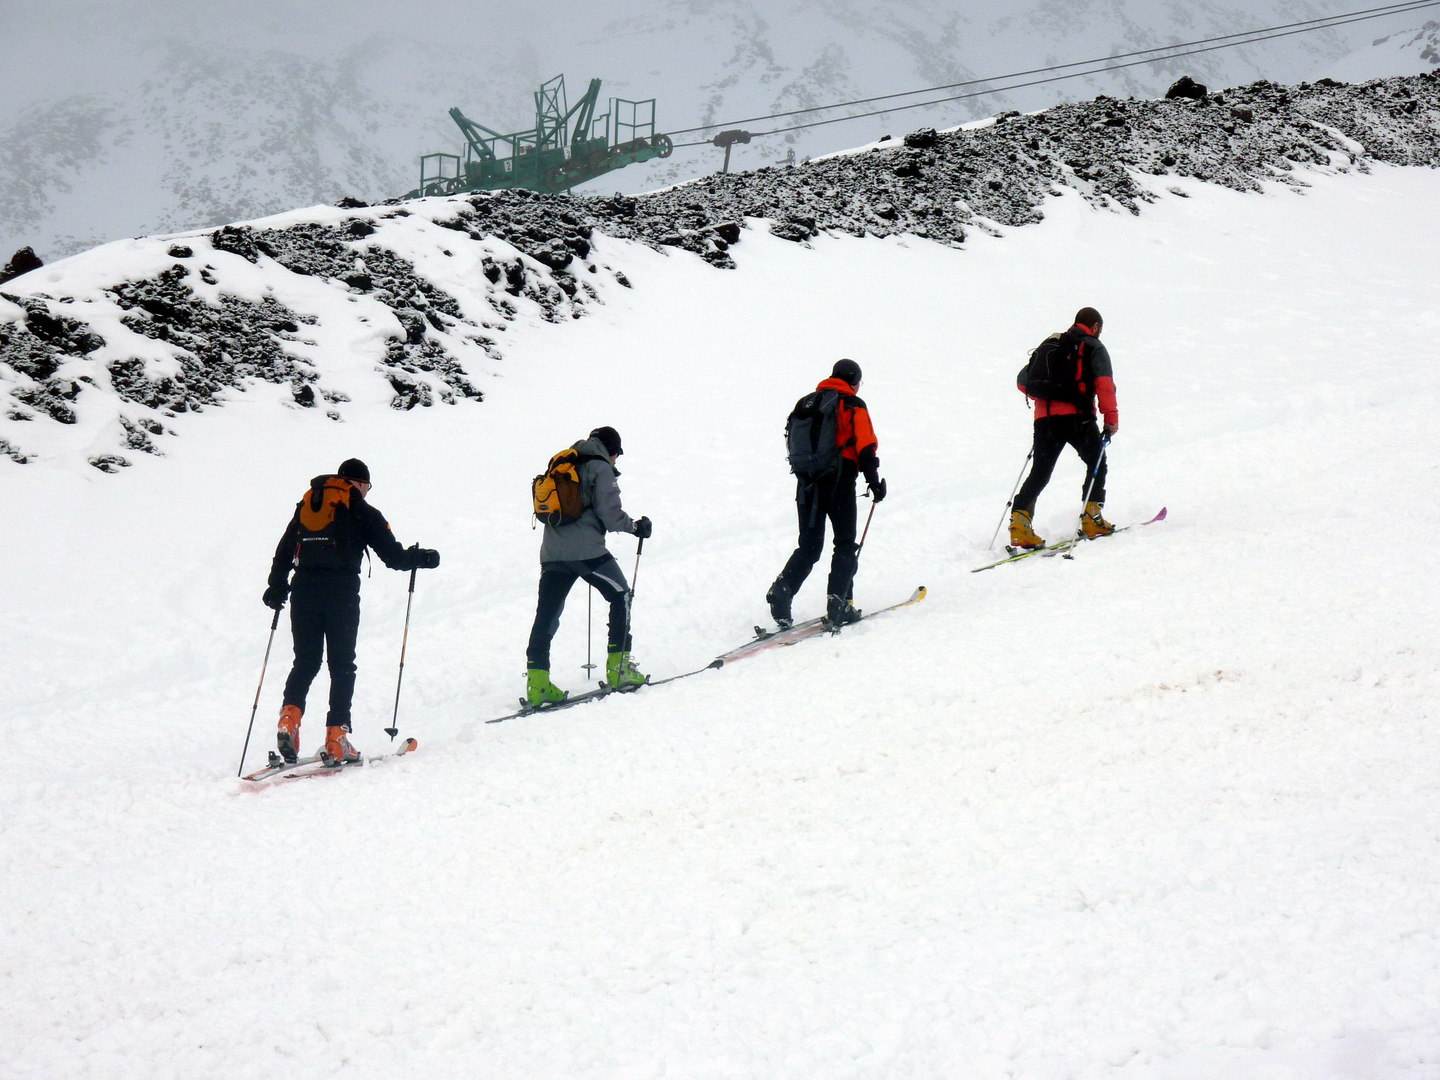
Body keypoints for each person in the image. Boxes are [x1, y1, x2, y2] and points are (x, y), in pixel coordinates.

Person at [263, 458, 439, 763]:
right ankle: (337, 738)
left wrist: (277, 585)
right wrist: (423, 558)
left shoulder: (309, 505)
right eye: (366, 486)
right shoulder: (363, 511)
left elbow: (284, 550)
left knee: (305, 662)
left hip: (303, 591)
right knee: (342, 665)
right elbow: (395, 558)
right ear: (359, 484)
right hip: (340, 595)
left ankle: (288, 720)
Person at [525, 426, 652, 707]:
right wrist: (635, 527)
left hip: (552, 554)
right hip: (587, 553)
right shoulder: (600, 467)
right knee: (621, 595)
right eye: (617, 454)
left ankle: (538, 684)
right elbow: (609, 514)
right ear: (613, 451)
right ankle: (619, 670)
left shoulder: (562, 462)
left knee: (546, 614)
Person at [766, 358, 886, 629]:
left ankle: (782, 591)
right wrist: (874, 482)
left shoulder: (807, 403)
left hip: (807, 481)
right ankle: (840, 603)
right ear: (853, 380)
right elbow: (866, 447)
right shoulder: (852, 404)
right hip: (839, 480)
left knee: (809, 546)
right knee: (844, 543)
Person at [1009, 306, 1119, 549]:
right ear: (1096, 327)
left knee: (1040, 472)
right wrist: (1111, 418)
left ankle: (1019, 526)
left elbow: (1022, 381)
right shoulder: (1093, 346)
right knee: (1096, 462)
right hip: (1077, 418)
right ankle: (1091, 520)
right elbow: (1104, 385)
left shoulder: (1051, 344)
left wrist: (1049, 397)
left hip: (1044, 419)